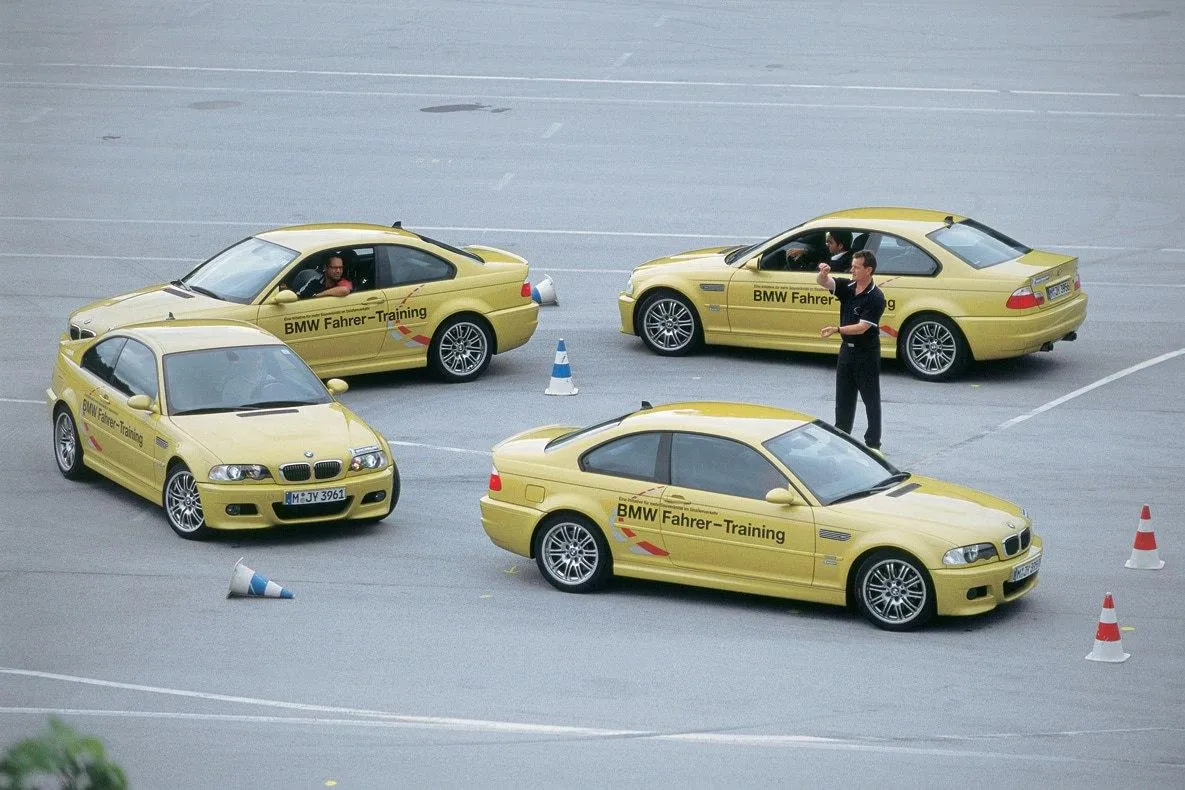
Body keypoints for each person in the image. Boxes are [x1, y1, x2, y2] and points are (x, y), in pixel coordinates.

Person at [817, 250, 886, 450]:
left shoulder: (875, 297)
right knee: (843, 398)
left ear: (868, 270)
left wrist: (837, 329)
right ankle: (841, 438)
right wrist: (823, 274)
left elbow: (862, 327)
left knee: (870, 400)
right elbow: (825, 283)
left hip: (866, 353)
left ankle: (873, 444)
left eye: (856, 267)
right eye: (852, 266)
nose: (852, 270)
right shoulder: (848, 286)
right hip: (847, 351)